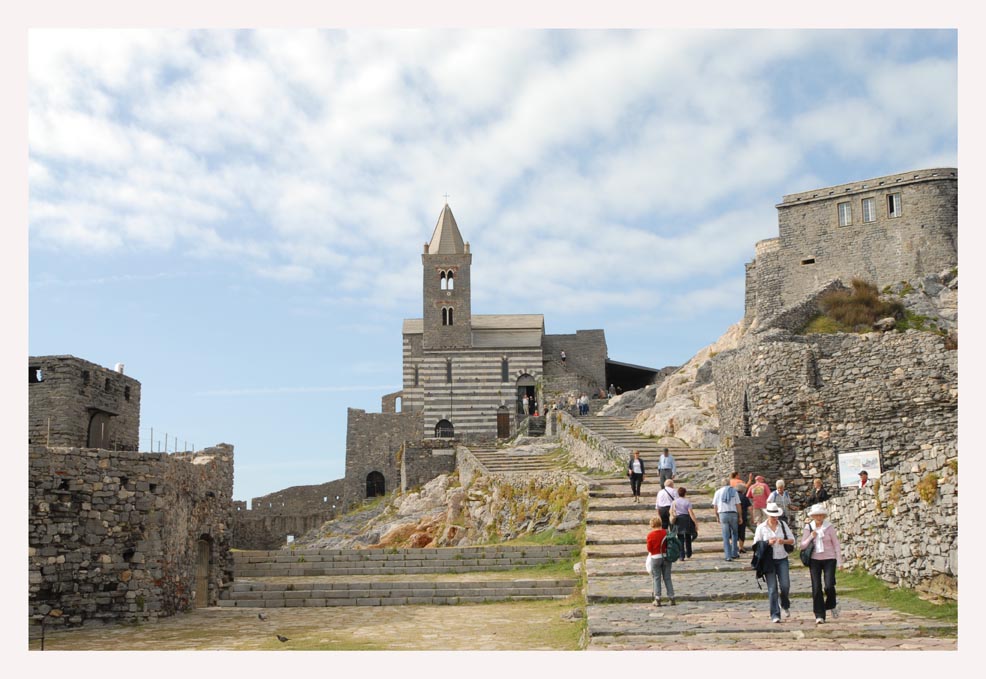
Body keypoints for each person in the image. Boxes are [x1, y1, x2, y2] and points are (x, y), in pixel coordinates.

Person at [801, 504, 843, 624]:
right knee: (816, 587)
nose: (818, 517)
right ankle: (819, 614)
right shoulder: (808, 527)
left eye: (820, 515)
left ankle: (832, 604)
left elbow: (836, 544)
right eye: (816, 515)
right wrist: (810, 537)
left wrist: (839, 561)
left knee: (829, 585)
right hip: (814, 560)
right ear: (813, 516)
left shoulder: (829, 527)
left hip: (829, 558)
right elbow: (802, 545)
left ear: (824, 516)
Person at [754, 502, 795, 623]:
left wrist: (783, 541)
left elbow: (792, 540)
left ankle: (785, 603)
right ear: (768, 515)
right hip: (769, 561)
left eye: (776, 515)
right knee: (772, 589)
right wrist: (767, 543)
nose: (774, 518)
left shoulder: (782, 525)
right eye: (772, 516)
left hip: (782, 558)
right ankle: (775, 614)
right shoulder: (761, 527)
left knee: (785, 585)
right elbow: (755, 545)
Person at [646, 516, 675, 606]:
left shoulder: (650, 535)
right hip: (666, 557)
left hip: (655, 557)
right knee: (667, 578)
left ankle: (657, 598)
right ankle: (671, 597)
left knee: (657, 578)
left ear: (652, 525)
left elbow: (649, 548)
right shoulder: (666, 532)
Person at [712, 477, 742, 561]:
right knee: (734, 533)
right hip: (733, 513)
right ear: (729, 483)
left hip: (723, 514)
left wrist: (717, 516)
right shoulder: (734, 491)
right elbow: (738, 505)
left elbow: (715, 506)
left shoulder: (718, 492)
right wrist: (740, 516)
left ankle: (728, 556)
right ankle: (734, 553)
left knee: (725, 535)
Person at [672, 487, 698, 560]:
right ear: (685, 493)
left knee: (680, 538)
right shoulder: (687, 502)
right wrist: (695, 522)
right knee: (688, 537)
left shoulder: (674, 502)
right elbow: (691, 513)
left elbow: (672, 511)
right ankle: (689, 553)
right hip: (687, 519)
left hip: (679, 520)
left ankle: (681, 555)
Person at [736, 481, 751, 554]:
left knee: (734, 531)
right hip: (743, 516)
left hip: (734, 516)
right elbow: (750, 508)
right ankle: (741, 547)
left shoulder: (733, 496)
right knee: (742, 532)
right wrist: (752, 517)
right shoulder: (744, 497)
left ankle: (734, 546)